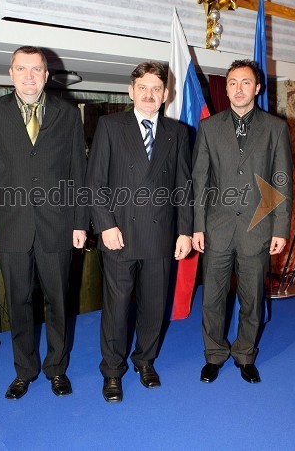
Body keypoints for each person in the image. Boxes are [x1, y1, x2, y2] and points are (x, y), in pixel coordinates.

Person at [0, 46, 87, 399]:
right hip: (11, 226)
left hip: (57, 226)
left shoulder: (68, 114)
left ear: (47, 75)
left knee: (58, 302)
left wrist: (79, 222)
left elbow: (77, 174)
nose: (29, 76)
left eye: (36, 69)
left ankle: (57, 369)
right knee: (20, 302)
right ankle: (24, 371)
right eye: (21, 69)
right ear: (11, 73)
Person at [87, 61, 193, 402]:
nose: (150, 94)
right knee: (116, 309)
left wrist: (185, 231)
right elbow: (95, 182)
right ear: (131, 91)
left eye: (157, 88)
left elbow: (184, 187)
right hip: (119, 234)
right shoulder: (110, 125)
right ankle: (112, 371)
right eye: (143, 87)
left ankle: (145, 361)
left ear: (166, 94)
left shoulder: (177, 133)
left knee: (153, 306)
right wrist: (105, 225)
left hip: (161, 236)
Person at [192, 59, 293, 384]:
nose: (238, 88)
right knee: (213, 298)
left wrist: (280, 228)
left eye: (245, 82)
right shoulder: (209, 127)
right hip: (217, 228)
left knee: (252, 299)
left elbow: (281, 181)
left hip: (257, 229)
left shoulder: (275, 128)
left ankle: (245, 355)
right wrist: (196, 225)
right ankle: (214, 354)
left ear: (257, 88)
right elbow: (200, 180)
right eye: (232, 82)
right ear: (226, 87)